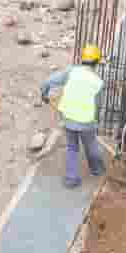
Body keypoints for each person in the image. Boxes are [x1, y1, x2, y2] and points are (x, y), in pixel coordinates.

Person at [40, 45, 108, 190]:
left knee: (72, 147)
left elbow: (47, 82)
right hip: (86, 121)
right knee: (91, 145)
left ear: (82, 59)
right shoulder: (98, 83)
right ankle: (97, 170)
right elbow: (98, 106)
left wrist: (44, 94)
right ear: (96, 62)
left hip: (68, 117)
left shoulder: (71, 72)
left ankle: (71, 179)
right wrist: (96, 121)